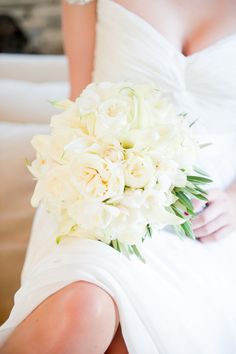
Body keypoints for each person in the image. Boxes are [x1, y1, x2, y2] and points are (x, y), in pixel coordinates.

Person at [1, 0, 236, 353]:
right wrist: (86, 175)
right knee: (84, 305)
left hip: (208, 222)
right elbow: (77, 103)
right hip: (99, 199)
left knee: (131, 341)